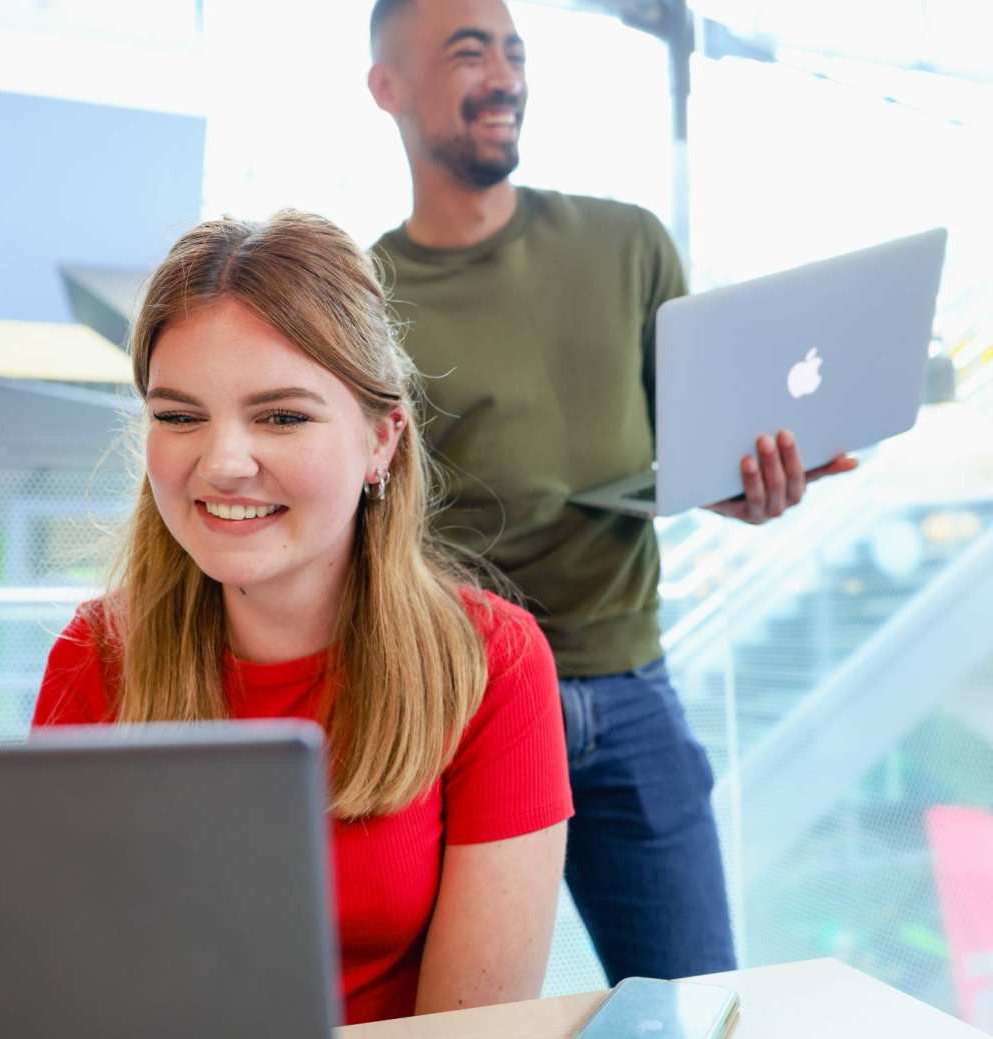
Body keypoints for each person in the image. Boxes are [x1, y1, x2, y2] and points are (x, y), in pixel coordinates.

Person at [367, 0, 858, 983]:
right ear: (387, 87)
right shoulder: (364, 296)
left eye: (514, 51)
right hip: (457, 708)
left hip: (633, 693)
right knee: (457, 1015)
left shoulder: (626, 245)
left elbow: (690, 448)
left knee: (699, 1003)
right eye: (469, 52)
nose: (503, 76)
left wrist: (745, 482)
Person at [31, 210, 573, 1026]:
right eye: (179, 415)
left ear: (382, 441)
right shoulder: (95, 653)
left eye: (282, 416)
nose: (221, 462)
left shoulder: (489, 662)